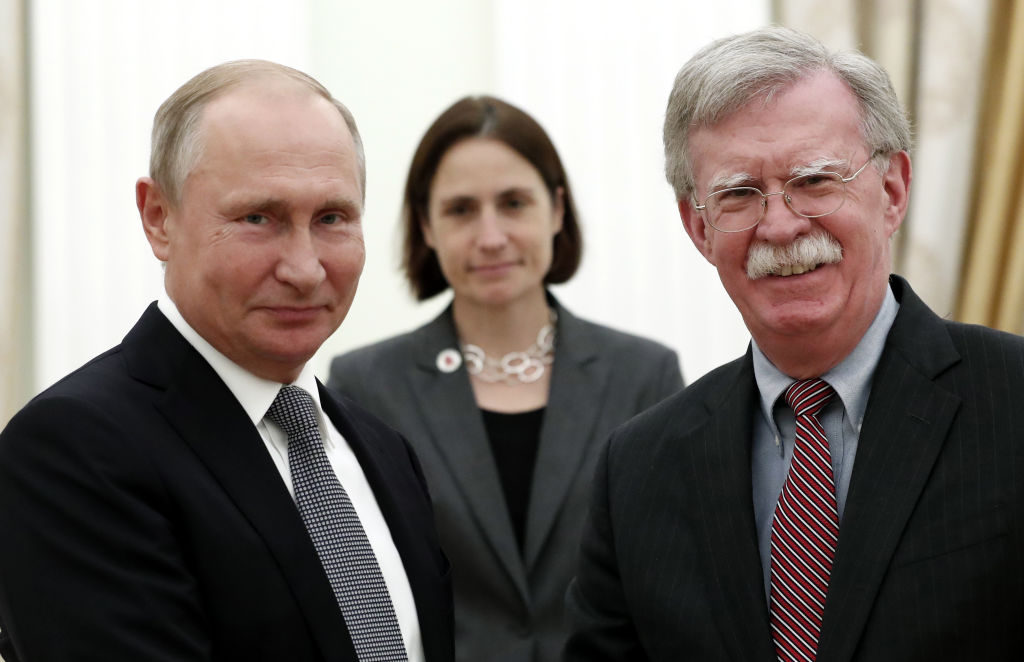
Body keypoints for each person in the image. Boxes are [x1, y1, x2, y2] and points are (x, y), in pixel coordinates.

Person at [565, 26, 1024, 662]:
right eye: (739, 194)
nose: (780, 225)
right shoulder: (638, 470)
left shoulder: (1014, 402)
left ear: (891, 192)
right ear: (699, 227)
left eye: (814, 180)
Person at [0, 60, 453, 662]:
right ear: (158, 218)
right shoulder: (73, 449)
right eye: (257, 218)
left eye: (332, 218)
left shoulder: (383, 451)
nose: (304, 267)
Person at [328, 95, 683, 662]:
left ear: (557, 210)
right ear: (427, 226)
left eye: (514, 203)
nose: (490, 237)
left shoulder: (644, 375)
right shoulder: (364, 385)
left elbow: (670, 586)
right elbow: (360, 596)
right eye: (462, 210)